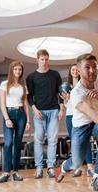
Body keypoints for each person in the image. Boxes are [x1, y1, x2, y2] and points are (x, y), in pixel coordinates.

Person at [55, 53, 98, 191]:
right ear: (78, 71)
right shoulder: (76, 92)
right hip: (81, 125)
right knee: (77, 162)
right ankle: (64, 167)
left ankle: (96, 177)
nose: (92, 71)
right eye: (87, 67)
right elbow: (91, 114)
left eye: (94, 67)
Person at [26, 49, 64, 178]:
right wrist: (34, 109)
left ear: (48, 59)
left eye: (46, 59)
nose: (44, 62)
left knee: (53, 140)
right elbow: (29, 96)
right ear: (37, 60)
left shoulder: (55, 75)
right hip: (39, 113)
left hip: (54, 110)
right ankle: (39, 168)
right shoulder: (31, 77)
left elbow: (60, 94)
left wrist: (62, 109)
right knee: (38, 140)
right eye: (42, 59)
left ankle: (50, 167)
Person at [0, 61, 30, 183]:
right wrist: (7, 119)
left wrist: (28, 121)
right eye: (15, 69)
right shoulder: (4, 84)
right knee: (8, 143)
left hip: (21, 115)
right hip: (9, 114)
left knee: (18, 144)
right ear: (11, 70)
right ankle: (6, 173)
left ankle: (15, 172)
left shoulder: (23, 87)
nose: (17, 71)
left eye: (19, 70)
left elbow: (25, 104)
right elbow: (2, 104)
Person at [62, 65, 94, 177]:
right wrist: (66, 100)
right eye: (73, 70)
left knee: (86, 142)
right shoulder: (67, 86)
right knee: (75, 144)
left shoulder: (83, 85)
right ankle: (78, 168)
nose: (75, 71)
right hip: (70, 116)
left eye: (76, 69)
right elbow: (66, 105)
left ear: (80, 71)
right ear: (70, 72)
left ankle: (90, 167)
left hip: (82, 116)